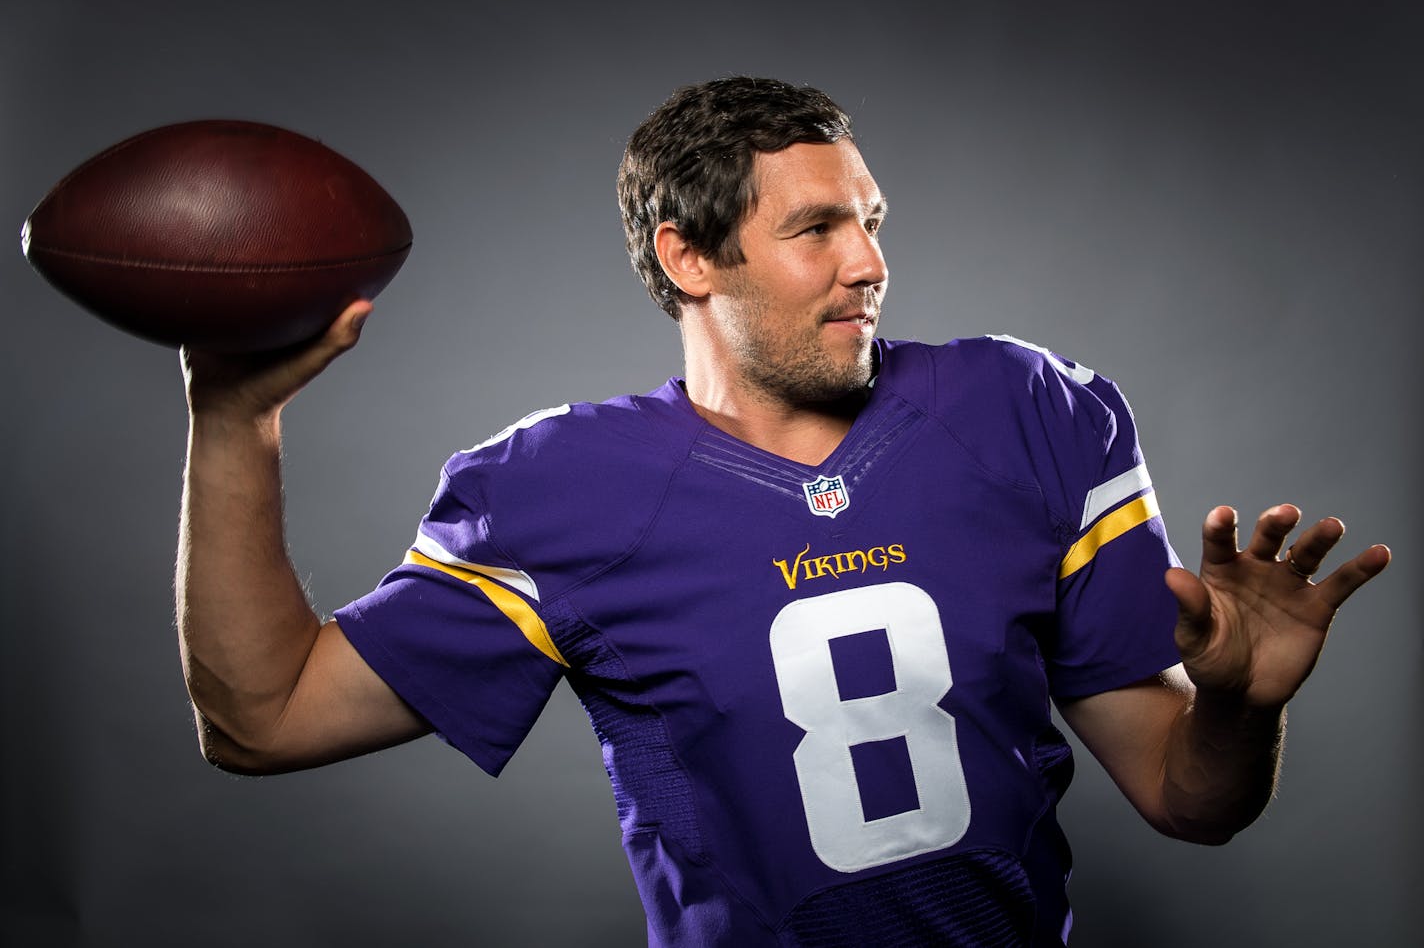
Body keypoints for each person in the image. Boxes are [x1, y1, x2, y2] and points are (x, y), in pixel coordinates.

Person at [177, 77, 1390, 946]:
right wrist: (236, 418)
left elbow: (1192, 802)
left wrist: (1234, 705)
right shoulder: (557, 487)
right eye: (814, 227)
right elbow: (264, 719)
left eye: (869, 219)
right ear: (689, 258)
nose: (866, 260)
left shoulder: (1023, 409)